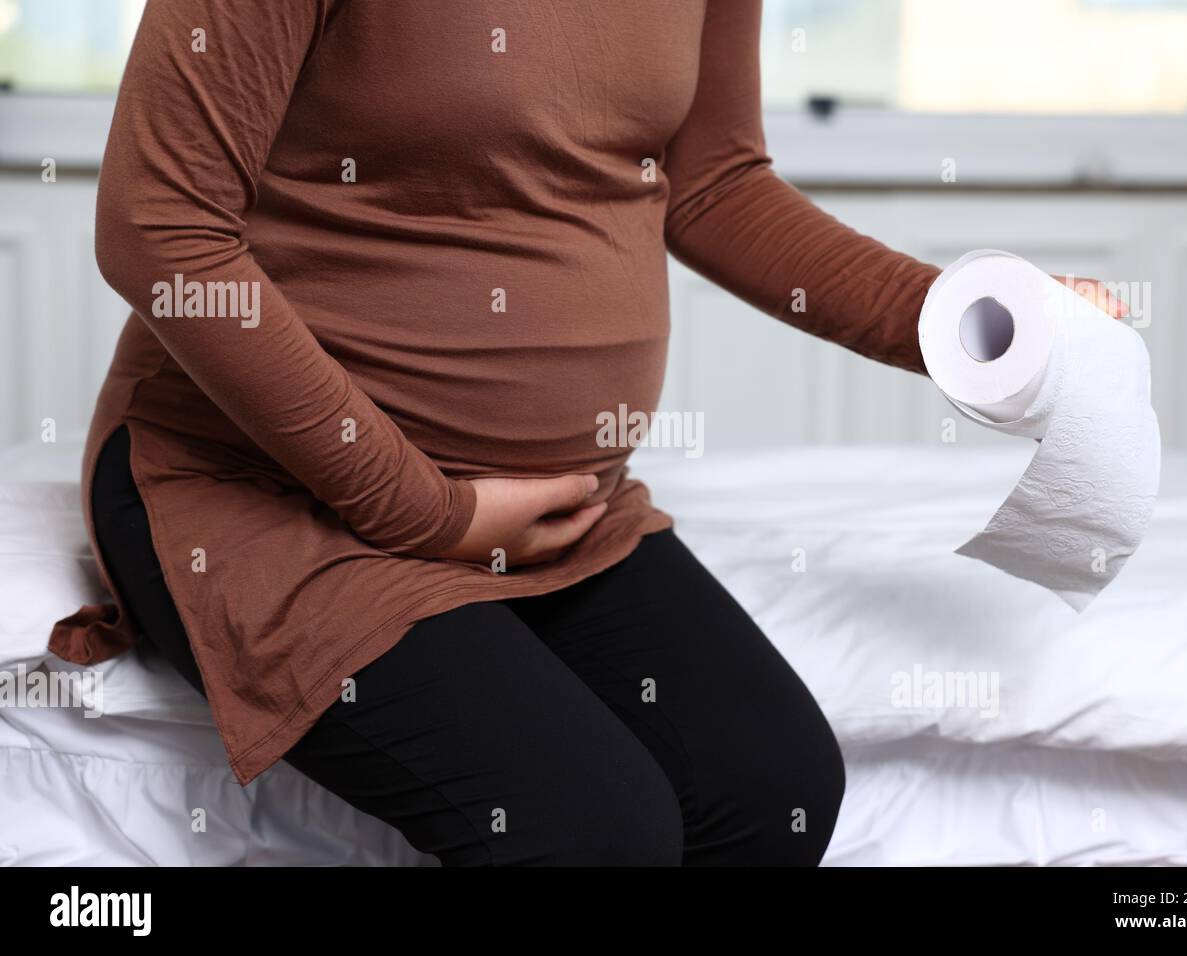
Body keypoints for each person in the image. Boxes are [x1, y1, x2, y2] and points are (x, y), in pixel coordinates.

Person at [52, 0, 1126, 866]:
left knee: (770, 790)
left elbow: (712, 183)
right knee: (588, 828)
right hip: (257, 480)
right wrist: (428, 509)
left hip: (547, 508)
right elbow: (161, 229)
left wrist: (961, 325)